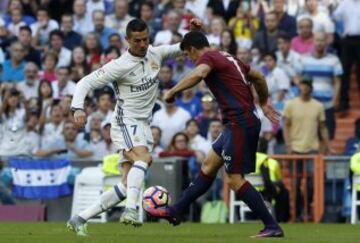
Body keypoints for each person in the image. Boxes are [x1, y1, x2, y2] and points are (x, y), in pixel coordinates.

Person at [67, 18, 202, 235]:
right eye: (137, 40)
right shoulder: (119, 66)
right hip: (125, 122)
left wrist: (192, 33)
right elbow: (85, 83)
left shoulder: (155, 54)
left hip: (143, 125)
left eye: (145, 39)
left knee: (124, 185)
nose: (142, 44)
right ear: (127, 40)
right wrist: (77, 108)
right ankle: (131, 210)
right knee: (144, 159)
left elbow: (183, 48)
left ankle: (79, 218)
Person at [147, 31, 283, 238]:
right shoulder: (227, 56)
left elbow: (199, 73)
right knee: (209, 166)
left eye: (187, 56)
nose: (190, 61)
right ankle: (176, 210)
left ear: (193, 49)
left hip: (240, 123)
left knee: (235, 179)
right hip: (235, 123)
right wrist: (263, 102)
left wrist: (173, 91)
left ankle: (272, 225)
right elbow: (258, 76)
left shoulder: (208, 58)